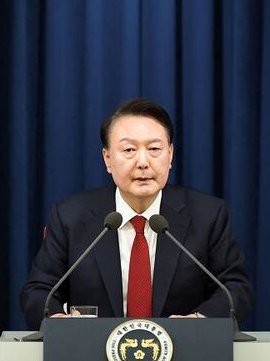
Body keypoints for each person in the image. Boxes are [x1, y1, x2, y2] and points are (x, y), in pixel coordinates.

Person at [20, 98, 253, 330]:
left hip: (183, 358)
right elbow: (39, 290)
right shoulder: (71, 216)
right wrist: (58, 319)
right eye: (129, 150)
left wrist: (198, 322)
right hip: (92, 359)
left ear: (170, 155)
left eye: (154, 149)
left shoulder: (207, 215)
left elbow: (235, 288)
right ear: (107, 159)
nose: (143, 162)